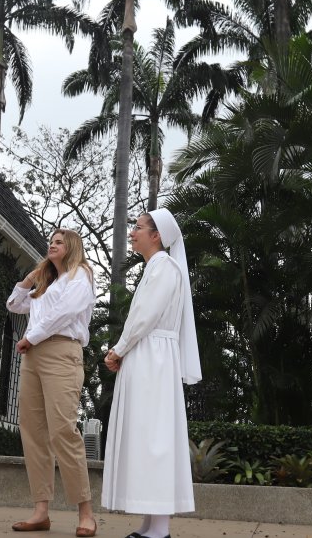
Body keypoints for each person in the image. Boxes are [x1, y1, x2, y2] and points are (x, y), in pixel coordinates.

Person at [102, 209, 202, 538]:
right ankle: (150, 522)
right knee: (145, 438)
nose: (133, 232)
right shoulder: (155, 269)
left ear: (156, 236)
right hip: (146, 357)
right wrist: (124, 349)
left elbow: (144, 317)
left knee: (155, 439)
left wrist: (119, 348)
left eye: (139, 227)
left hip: (153, 359)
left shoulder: (165, 269)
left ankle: (160, 529)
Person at [6, 228, 99, 537]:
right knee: (32, 431)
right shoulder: (46, 283)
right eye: (51, 242)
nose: (52, 245)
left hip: (61, 352)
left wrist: (30, 337)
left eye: (59, 242)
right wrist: (32, 277)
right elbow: (14, 305)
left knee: (63, 431)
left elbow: (65, 312)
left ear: (71, 247)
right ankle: (40, 511)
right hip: (33, 356)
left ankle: (85, 512)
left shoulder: (80, 274)